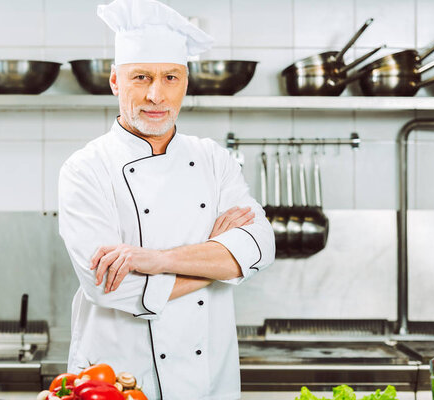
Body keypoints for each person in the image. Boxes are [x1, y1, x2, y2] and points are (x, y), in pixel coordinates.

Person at [57, 0, 275, 398]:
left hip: (208, 377)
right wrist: (220, 260)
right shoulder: (85, 168)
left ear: (185, 83)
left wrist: (156, 260)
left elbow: (260, 246)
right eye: (141, 77)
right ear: (115, 83)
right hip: (116, 379)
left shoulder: (213, 158)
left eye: (170, 78)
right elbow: (107, 286)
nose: (157, 95)